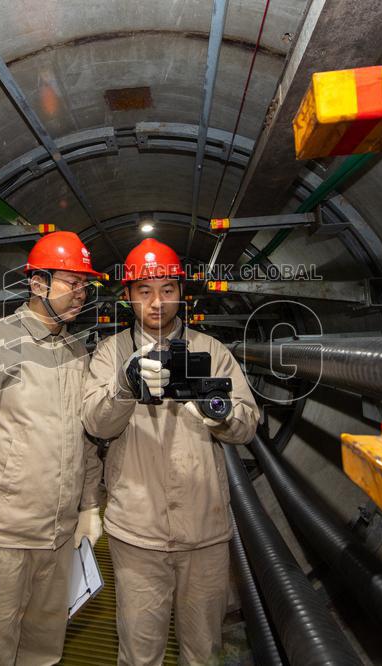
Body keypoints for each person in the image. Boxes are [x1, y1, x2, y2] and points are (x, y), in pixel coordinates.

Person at [82, 238, 260, 665]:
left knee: (203, 652)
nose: (157, 302)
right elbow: (95, 423)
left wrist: (218, 411)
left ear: (181, 292)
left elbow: (248, 423)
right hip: (137, 533)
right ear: (127, 297)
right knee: (141, 654)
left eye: (166, 289)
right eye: (144, 291)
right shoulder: (111, 354)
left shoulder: (211, 352)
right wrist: (125, 386)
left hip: (205, 532)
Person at [0, 231, 104, 666]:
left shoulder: (74, 350)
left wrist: (88, 505)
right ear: (37, 283)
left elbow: (83, 437)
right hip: (4, 540)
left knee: (42, 654)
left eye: (85, 285)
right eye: (71, 282)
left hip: (59, 538)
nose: (80, 294)